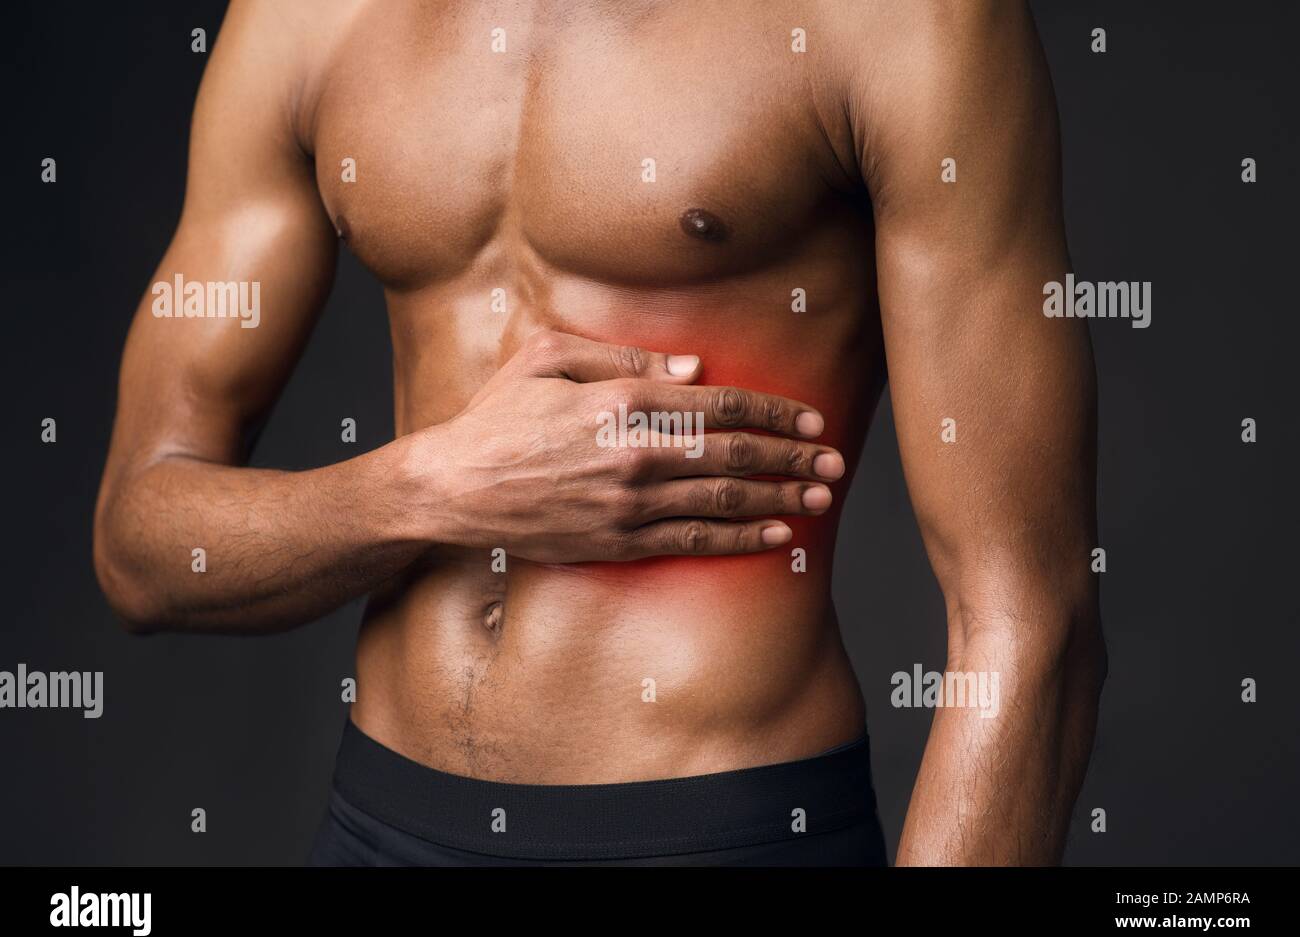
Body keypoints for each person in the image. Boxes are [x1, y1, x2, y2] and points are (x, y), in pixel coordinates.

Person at [94, 0, 1105, 865]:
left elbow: (1025, 616)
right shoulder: (309, 19)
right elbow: (141, 545)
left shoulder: (895, 21)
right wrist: (432, 486)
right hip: (383, 823)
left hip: (715, 827)